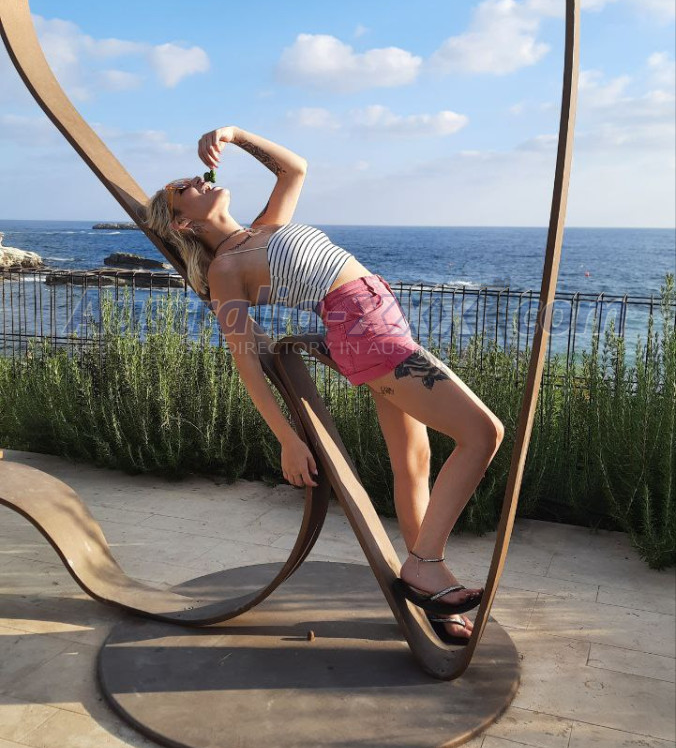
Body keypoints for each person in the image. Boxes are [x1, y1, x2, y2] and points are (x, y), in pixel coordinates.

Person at [141, 126, 505, 645]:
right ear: (182, 222)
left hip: (385, 326)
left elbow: (295, 168)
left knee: (413, 462)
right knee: (483, 432)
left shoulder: (266, 227)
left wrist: (235, 135)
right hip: (367, 335)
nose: (197, 180)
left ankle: (433, 592)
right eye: (184, 188)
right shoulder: (226, 270)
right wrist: (287, 438)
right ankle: (425, 563)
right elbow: (247, 359)